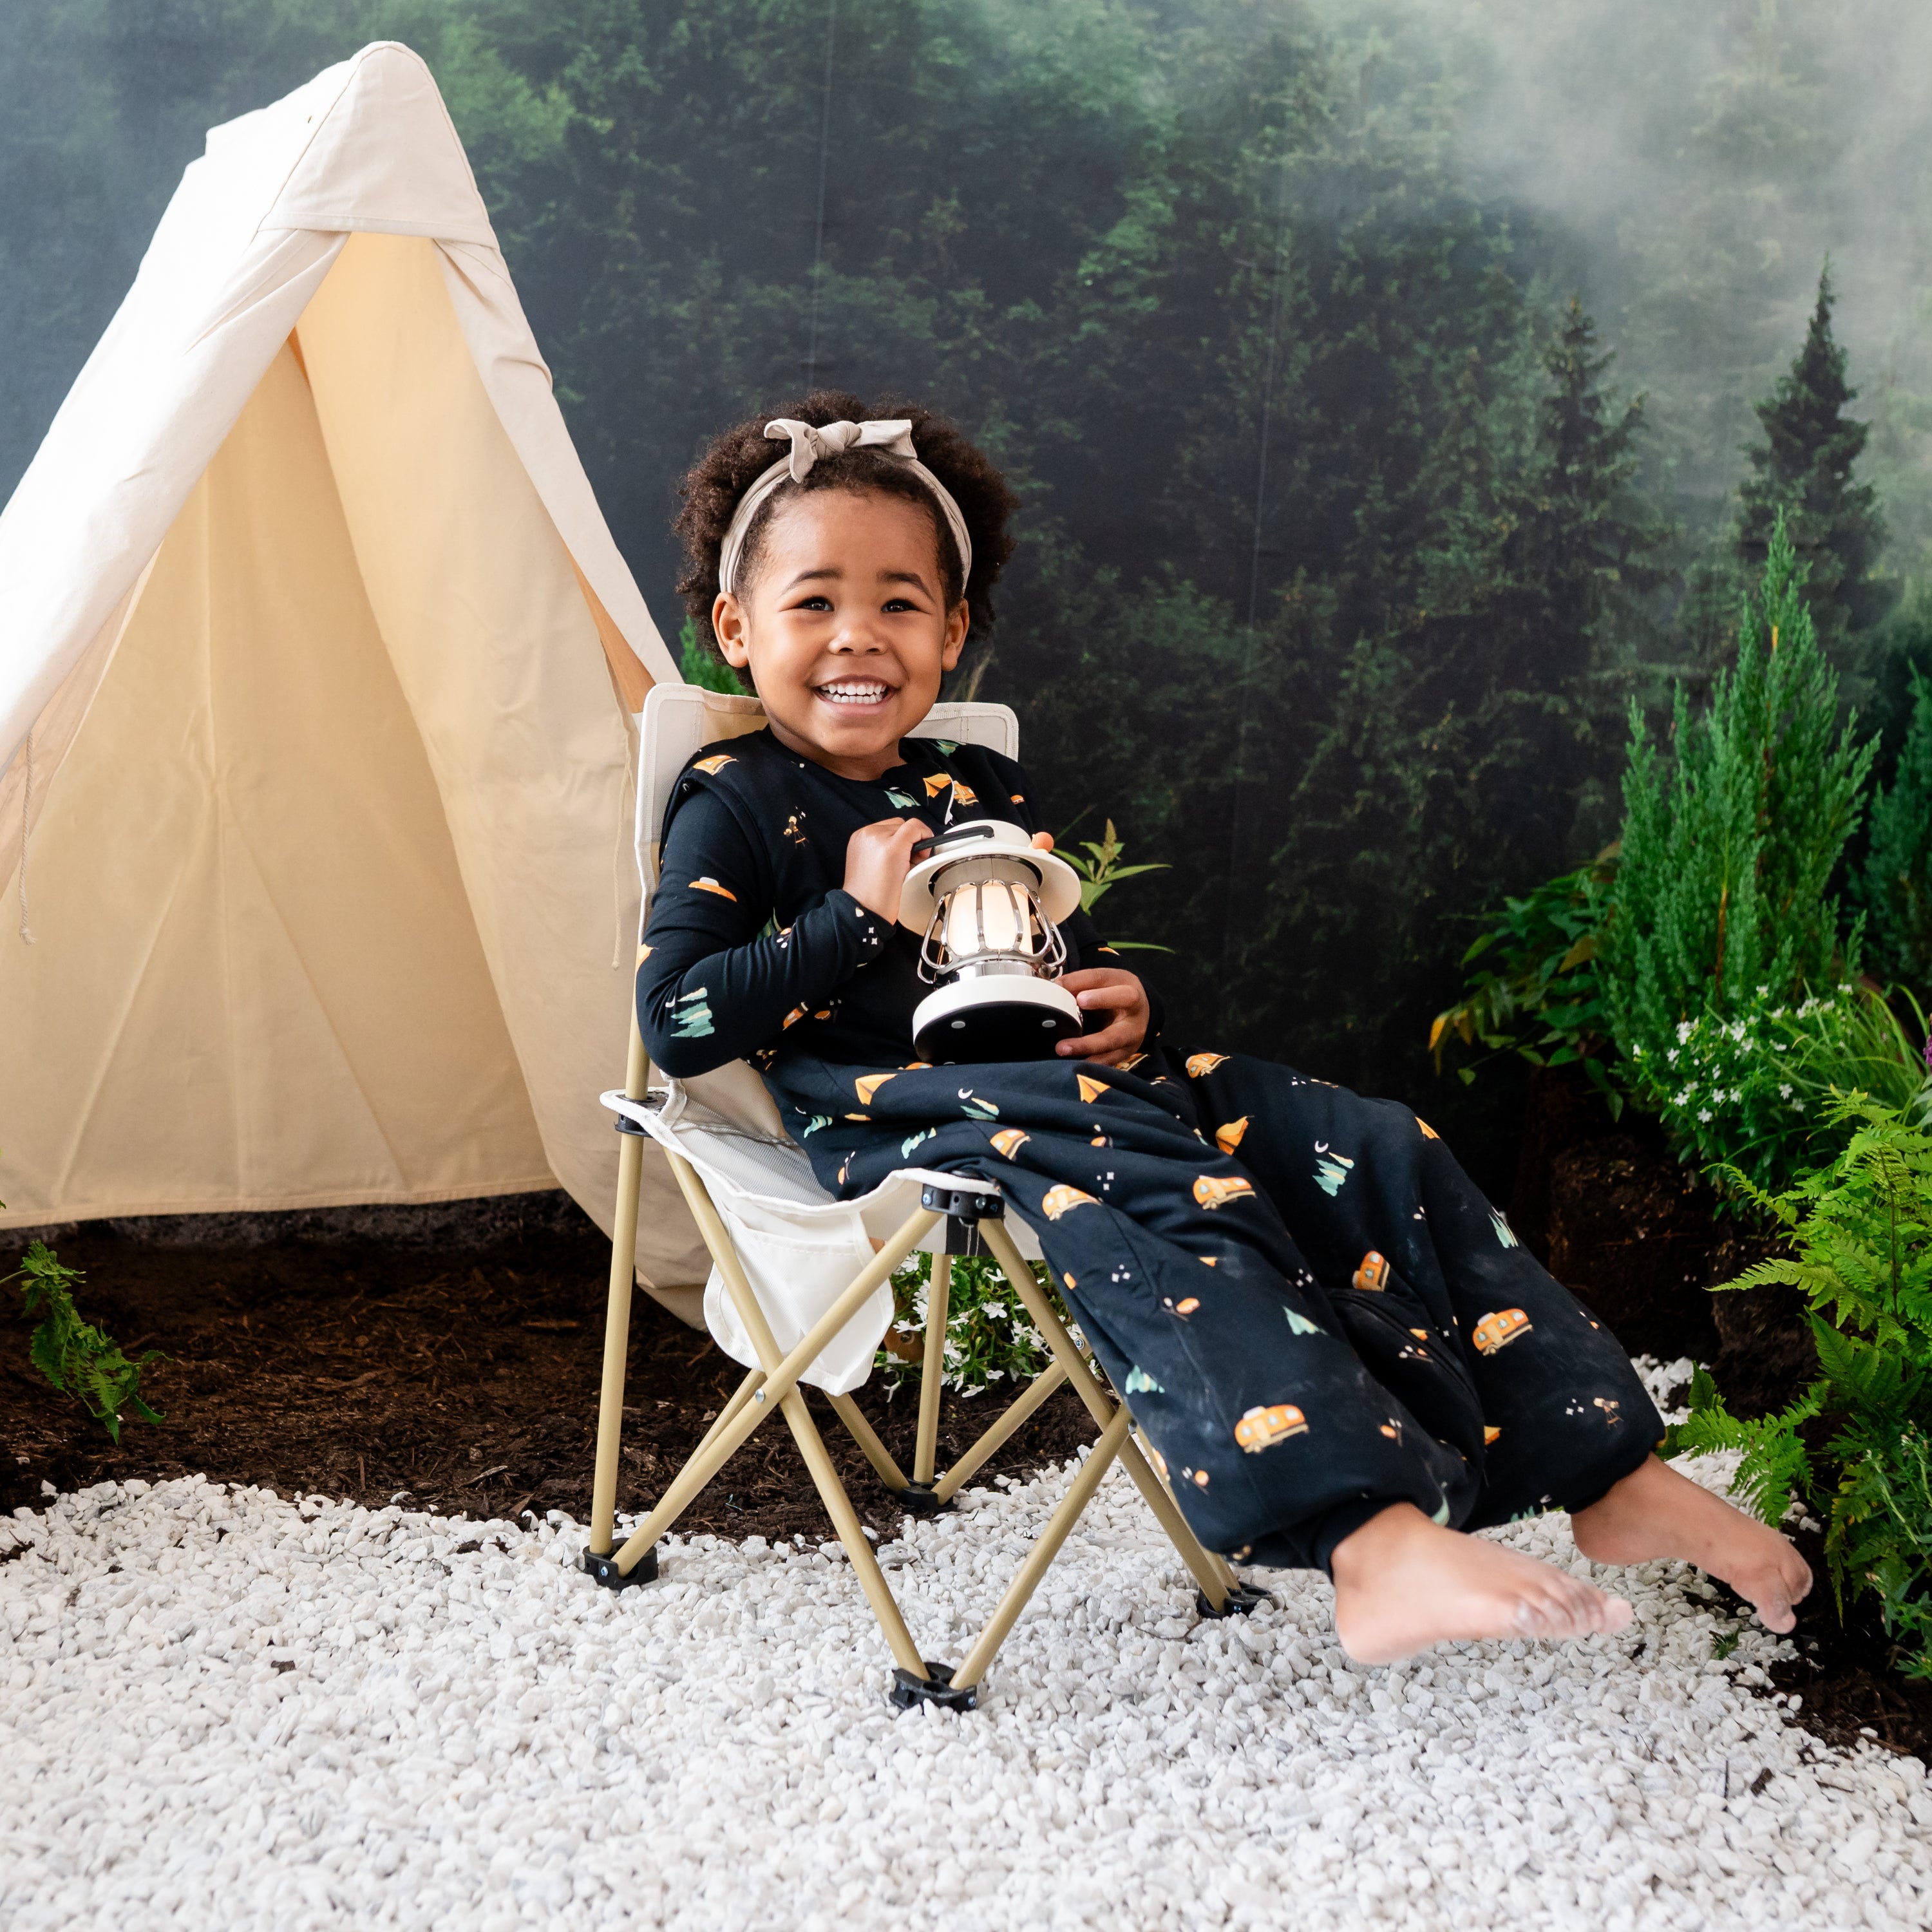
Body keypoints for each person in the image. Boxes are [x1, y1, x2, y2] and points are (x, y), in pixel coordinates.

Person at [636, 394, 1814, 1665]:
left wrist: (1116, 1005)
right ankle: (1363, 1538)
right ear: (735, 629)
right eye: (814, 602)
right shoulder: (737, 797)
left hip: (1068, 1085)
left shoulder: (978, 786)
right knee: (1174, 1186)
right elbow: (679, 1019)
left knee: (1367, 1141)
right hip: (893, 1113)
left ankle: (1603, 1471)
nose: (856, 634)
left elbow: (1050, 946)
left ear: (955, 630)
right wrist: (848, 924)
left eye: (899, 602)